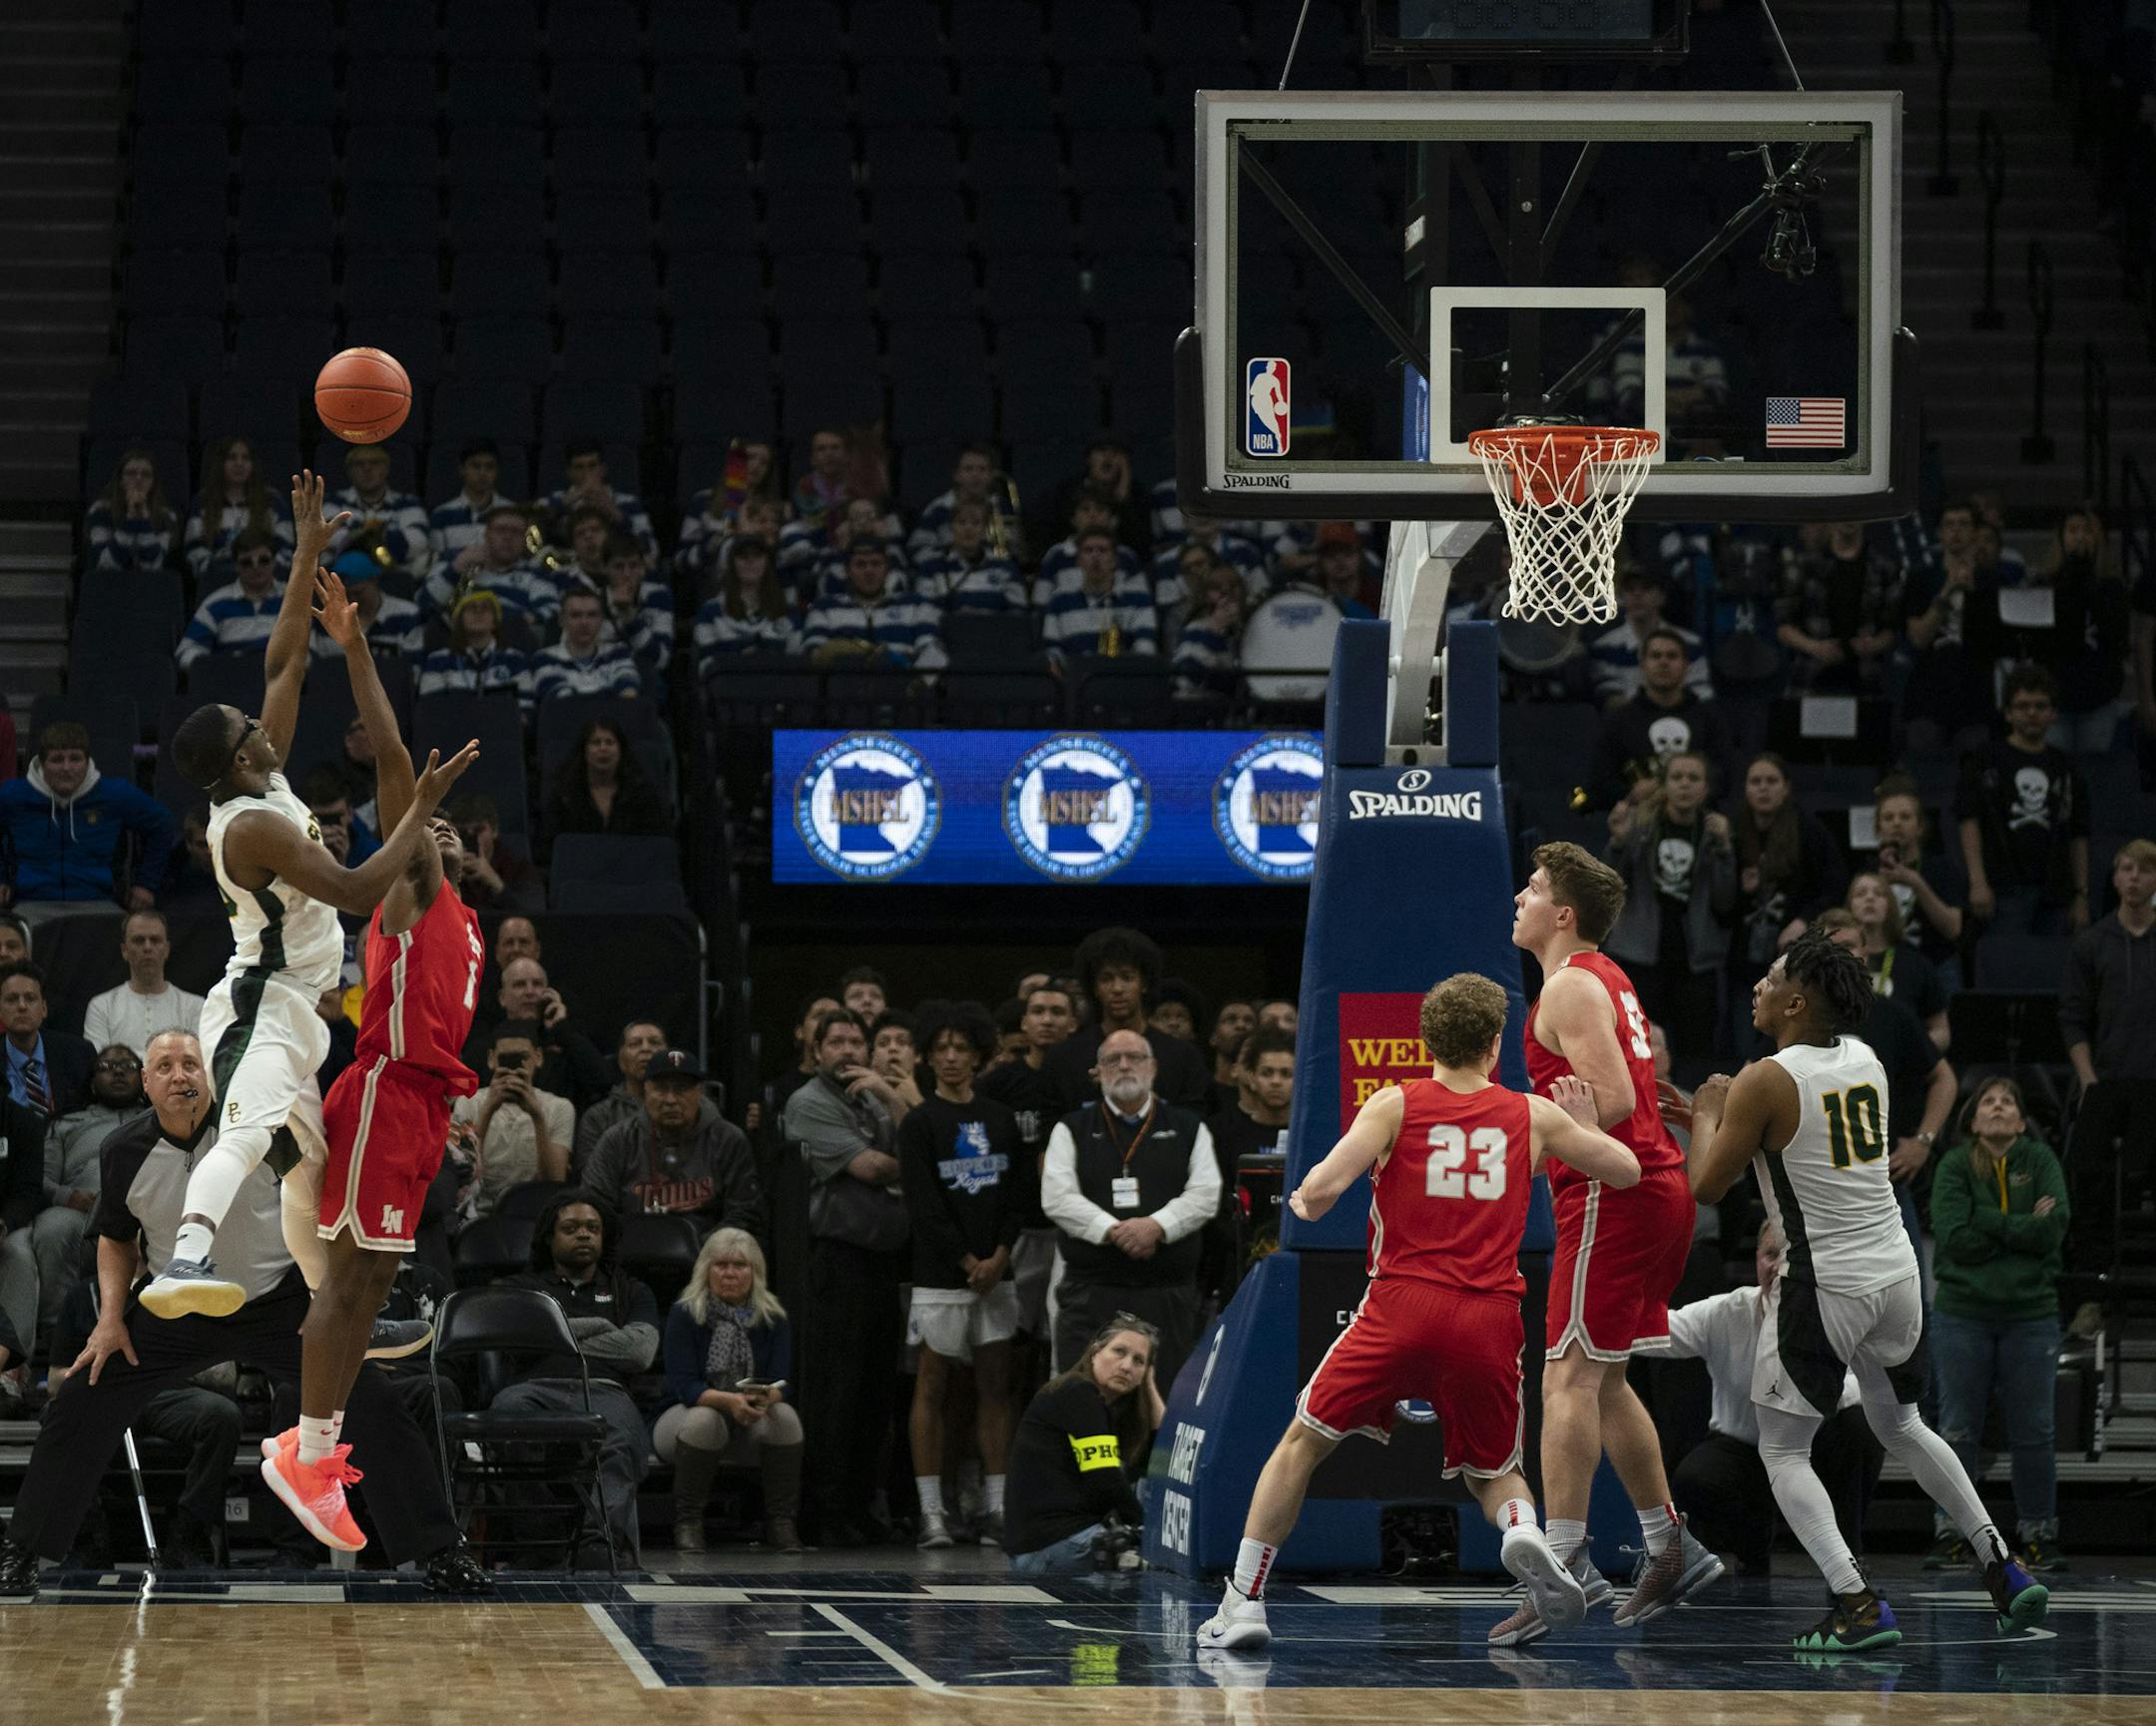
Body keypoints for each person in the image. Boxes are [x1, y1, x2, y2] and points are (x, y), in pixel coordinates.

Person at [1199, 973, 1642, 1653]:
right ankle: (1521, 1527)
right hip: (1489, 1313)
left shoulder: (1394, 1103)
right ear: (1496, 1044)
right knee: (1494, 1471)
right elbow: (1625, 1171)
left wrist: (1304, 1204)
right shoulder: (1532, 1114)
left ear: (1425, 1040)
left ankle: (1245, 1600)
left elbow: (1317, 1190)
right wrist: (1578, 1126)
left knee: (1302, 1442)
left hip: (1400, 1304)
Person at [140, 470, 476, 1321]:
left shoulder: (261, 772)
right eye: (247, 724)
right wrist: (422, 815)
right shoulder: (252, 828)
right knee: (251, 1136)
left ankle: (338, 1311)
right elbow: (364, 889)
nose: (259, 719)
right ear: (240, 760)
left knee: (310, 1171)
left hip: (293, 1004)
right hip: (260, 1005)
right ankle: (180, 1263)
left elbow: (284, 657)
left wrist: (306, 556)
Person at [0, 1029, 487, 1598]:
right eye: (165, 1066)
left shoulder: (258, 1132)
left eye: (191, 1063)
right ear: (146, 1084)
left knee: (373, 1399)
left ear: (211, 1076)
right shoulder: (123, 1150)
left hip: (278, 1303)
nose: (181, 1074)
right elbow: (115, 1238)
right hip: (176, 1307)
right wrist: (110, 1319)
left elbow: (318, 1190)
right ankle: (22, 1552)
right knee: (82, 1394)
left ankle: (441, 1553)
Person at [1686, 930, 2051, 1651]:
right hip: (1897, 1269)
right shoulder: (1867, 1059)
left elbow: (1708, 1181)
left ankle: (1855, 1603)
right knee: (1904, 1423)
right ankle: (2001, 1564)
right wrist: (1724, 1120)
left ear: (1796, 1001)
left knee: (1783, 1450)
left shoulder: (1764, 1077)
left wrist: (1706, 1111)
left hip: (1827, 1281)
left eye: (1769, 978)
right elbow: (1793, 1139)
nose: (1756, 986)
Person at [250, 562, 488, 1551]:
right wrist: (356, 649)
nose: (426, 829)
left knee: (377, 1287)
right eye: (414, 828)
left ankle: (320, 1443)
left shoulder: (468, 921)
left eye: (440, 826)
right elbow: (394, 762)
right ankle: (302, 1448)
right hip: (386, 1091)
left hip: (425, 1105)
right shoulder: (411, 887)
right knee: (349, 1283)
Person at [1509, 842, 1722, 1636]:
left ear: (1563, 914)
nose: (1519, 899)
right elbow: (1627, 1092)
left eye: (1531, 889)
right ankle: (1670, 1542)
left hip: (1615, 1194)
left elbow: (1608, 1097)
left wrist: (1563, 1123)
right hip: (1653, 1192)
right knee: (1603, 1379)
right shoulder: (1606, 975)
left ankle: (1563, 1566)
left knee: (1564, 1376)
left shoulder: (1567, 984)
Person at [1664, 1221, 1885, 1578]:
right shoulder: (1727, 1311)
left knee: (1859, 1431)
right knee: (1695, 1477)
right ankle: (1752, 1545)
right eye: (1769, 1254)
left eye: (1788, 1257)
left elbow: (1862, 1389)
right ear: (1756, 1260)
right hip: (1744, 1448)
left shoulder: (1837, 1315)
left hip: (1814, 1445)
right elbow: (1662, 1331)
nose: (1777, 1267)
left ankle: (1848, 1557)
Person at [1927, 1077, 2071, 1574]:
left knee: (2035, 1431)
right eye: (1988, 1100)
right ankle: (1953, 1532)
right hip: (1962, 1312)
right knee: (1957, 1430)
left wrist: (1985, 1221)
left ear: (2022, 1119)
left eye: (2008, 1100)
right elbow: (1952, 1237)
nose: (1998, 1106)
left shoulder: (2041, 1160)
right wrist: (2020, 1229)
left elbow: (2055, 1228)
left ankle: (2038, 1533)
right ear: (1971, 1120)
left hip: (2031, 1314)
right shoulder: (1953, 1164)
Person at [896, 1001, 1026, 1549]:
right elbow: (924, 1204)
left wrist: (997, 1256)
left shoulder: (999, 1119)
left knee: (996, 1386)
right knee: (932, 1385)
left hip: (998, 1274)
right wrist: (965, 1261)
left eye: (961, 1049)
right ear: (928, 1057)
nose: (951, 1058)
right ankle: (932, 1514)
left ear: (978, 1056)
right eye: (941, 1048)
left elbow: (1018, 1195)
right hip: (939, 1274)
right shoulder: (919, 1122)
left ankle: (996, 1509)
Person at [781, 1007, 912, 1545]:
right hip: (837, 1260)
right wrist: (913, 1159)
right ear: (815, 1052)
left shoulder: (873, 1099)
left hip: (886, 1261)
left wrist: (891, 1096)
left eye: (857, 1042)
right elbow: (875, 1169)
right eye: (836, 1042)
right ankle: (826, 1513)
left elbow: (918, 1137)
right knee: (837, 1392)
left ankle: (862, 1508)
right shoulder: (809, 1102)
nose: (849, 1051)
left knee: (876, 1395)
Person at [1042, 1029, 1221, 1392]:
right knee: (1083, 1396)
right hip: (1091, 1293)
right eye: (1112, 1059)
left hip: (1166, 1294)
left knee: (1164, 1400)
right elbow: (1057, 1197)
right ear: (1097, 1071)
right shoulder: (1070, 1129)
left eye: (1134, 1057)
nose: (1124, 1065)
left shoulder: (1188, 1126)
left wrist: (1156, 1226)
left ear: (1153, 1067)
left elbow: (1207, 1193)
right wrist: (1114, 1230)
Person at [496, 1193, 658, 1565]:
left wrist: (553, 1332)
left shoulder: (630, 1289)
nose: (583, 1235)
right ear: (549, 1239)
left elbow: (640, 1352)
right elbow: (512, 1337)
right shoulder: (519, 1286)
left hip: (604, 1391)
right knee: (507, 1416)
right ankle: (541, 1545)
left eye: (592, 1228)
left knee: (619, 1438)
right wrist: (602, 1328)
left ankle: (597, 1546)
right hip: (532, 1390)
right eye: (570, 1229)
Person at [0, 1043, 140, 1394]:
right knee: (51, 1226)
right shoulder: (66, 1124)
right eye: (108, 1065)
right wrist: (68, 1197)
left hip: (143, 1213)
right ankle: (56, 1332)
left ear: (144, 1077)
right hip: (81, 1212)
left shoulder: (156, 1119)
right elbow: (40, 1178)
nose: (118, 1071)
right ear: (92, 1081)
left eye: (128, 1065)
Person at [656, 1226, 803, 1554]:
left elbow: (782, 1380)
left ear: (755, 1272)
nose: (730, 1274)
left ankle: (781, 1522)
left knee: (786, 1417)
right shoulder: (685, 1314)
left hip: (750, 1417)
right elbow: (684, 1385)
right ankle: (688, 1522)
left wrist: (766, 1397)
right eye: (721, 1265)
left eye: (740, 1266)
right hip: (685, 1417)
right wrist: (730, 1401)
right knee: (706, 1419)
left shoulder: (773, 1317)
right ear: (705, 1269)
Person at [2059, 838, 2156, 1303]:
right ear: (2115, 878)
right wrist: (2089, 1081)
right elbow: (2073, 1018)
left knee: (2141, 1181)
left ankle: (2141, 1292)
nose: (2134, 878)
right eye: (2125, 869)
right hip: (2105, 1082)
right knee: (2088, 1178)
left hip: (2153, 1086)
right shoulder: (2092, 943)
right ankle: (2092, 1293)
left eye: (2144, 870)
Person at [1603, 752, 1736, 1085]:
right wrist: (1618, 842)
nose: (1685, 785)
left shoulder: (1713, 832)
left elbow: (1726, 901)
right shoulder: (1642, 827)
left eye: (1693, 778)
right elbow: (1609, 888)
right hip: (1640, 954)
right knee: (1635, 1046)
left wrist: (1724, 850)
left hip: (1694, 961)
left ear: (1705, 789)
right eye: (1677, 777)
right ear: (1664, 785)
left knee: (1695, 1053)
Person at [1004, 1316, 1164, 1577]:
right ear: (1095, 1351)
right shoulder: (1077, 1392)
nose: (1126, 1366)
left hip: (1051, 1546)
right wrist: (1149, 1530)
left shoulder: (1101, 1407)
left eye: (1139, 1361)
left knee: (1148, 1483)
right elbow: (1105, 1479)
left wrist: (1148, 1384)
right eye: (1119, 1352)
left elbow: (1161, 1454)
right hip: (1051, 1547)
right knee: (1161, 1568)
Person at [978, 980, 1080, 1346]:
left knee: (1063, 1334)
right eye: (1038, 1012)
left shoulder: (1084, 1082)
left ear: (1073, 1024)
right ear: (1023, 1023)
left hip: (1070, 1226)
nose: (1047, 1020)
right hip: (1013, 1227)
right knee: (1009, 1338)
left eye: (1057, 1012)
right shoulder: (997, 1083)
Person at [1955, 664, 2091, 939]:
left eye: (2041, 706)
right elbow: (1968, 820)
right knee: (2007, 970)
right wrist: (1977, 881)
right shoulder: (1985, 759)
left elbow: (2078, 833)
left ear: (2053, 714)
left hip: (2056, 891)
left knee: (2053, 974)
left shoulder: (2065, 766)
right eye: (2023, 705)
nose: (2032, 713)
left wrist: (2081, 894)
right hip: (2002, 889)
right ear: (2007, 712)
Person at [1727, 753, 1848, 1056]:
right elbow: (1715, 899)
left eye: (1771, 781)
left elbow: (1834, 885)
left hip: (1790, 959)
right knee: (1744, 1042)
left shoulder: (1809, 830)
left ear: (1786, 787)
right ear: (1745, 788)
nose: (1763, 788)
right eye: (1756, 781)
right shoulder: (1733, 831)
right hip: (1742, 959)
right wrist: (1739, 889)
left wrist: (1805, 920)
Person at [0, 721, 177, 914]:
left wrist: (146, 883)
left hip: (99, 902)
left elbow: (162, 823)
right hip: (30, 903)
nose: (67, 768)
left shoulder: (114, 794)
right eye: (57, 760)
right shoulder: (14, 795)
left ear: (87, 761)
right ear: (42, 764)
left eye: (75, 759)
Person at [582, 1047, 764, 1234]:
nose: (670, 1099)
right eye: (661, 1089)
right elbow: (593, 1207)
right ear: (645, 1091)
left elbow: (744, 1213)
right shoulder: (618, 1140)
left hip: (709, 1255)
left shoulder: (728, 1139)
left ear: (698, 1093)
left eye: (681, 1089)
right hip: (631, 1250)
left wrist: (704, 1251)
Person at [1047, 926, 1212, 1112]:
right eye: (1106, 978)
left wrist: (1140, 1099)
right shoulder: (1064, 1059)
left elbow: (1195, 1127)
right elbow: (1053, 1130)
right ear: (1094, 988)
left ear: (1144, 983)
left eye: (1127, 977)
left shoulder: (1183, 1057)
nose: (1117, 988)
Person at [1585, 628, 1735, 812]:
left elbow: (1725, 776)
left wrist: (1673, 790)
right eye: (1656, 656)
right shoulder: (1619, 720)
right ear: (1642, 665)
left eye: (1672, 656)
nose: (1663, 662)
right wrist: (1629, 792)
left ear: (1686, 665)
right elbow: (1600, 782)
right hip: (1635, 824)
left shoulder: (1709, 719)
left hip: (1698, 823)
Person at [451, 1021, 573, 1218]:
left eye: (523, 1058)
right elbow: (461, 1169)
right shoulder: (468, 1102)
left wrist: (537, 1116)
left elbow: (554, 1180)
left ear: (538, 1057)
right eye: (505, 1059)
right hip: (478, 1213)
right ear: (491, 1059)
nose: (515, 1067)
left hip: (535, 1213)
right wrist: (489, 1109)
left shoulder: (559, 1107)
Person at [1873, 772, 1967, 986]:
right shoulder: (1870, 872)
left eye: (1905, 817)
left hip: (1936, 965)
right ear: (1879, 828)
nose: (1897, 823)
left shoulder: (1941, 868)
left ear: (1920, 826)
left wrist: (1916, 883)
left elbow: (1954, 928)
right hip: (1886, 965)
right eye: (1888, 818)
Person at [1846, 872, 1949, 1051]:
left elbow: (1941, 1030)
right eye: (1861, 893)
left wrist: (1916, 1055)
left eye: (1879, 894)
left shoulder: (1916, 964)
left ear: (1890, 906)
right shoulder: (1836, 964)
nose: (1870, 898)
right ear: (1849, 907)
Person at [83, 909, 204, 1058]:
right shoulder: (102, 1006)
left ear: (166, 949)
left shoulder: (195, 1007)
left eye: (155, 940)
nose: (147, 947)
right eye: (139, 940)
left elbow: (197, 1062)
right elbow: (100, 1066)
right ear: (124, 950)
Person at [542, 716, 669, 851]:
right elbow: (549, 847)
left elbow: (656, 845)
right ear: (584, 751)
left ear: (621, 750)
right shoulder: (565, 796)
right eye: (596, 742)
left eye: (610, 742)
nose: (603, 748)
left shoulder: (641, 793)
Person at [1589, 568, 1711, 704]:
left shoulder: (1691, 644)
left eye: (1646, 588)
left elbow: (1702, 695)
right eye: (1630, 589)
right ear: (1621, 598)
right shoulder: (1605, 648)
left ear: (1662, 597)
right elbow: (1610, 701)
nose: (1637, 594)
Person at [1, 962, 96, 1116]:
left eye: (30, 998)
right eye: (12, 999)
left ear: (44, 1009)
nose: (22, 1006)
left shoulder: (79, 1054)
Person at [573, 1017, 669, 1169]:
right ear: (621, 1060)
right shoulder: (599, 1117)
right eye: (635, 1043)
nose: (646, 1048)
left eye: (655, 1042)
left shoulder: (694, 1107)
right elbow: (590, 1177)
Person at [416, 589, 535, 707]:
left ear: (495, 622)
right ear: (459, 620)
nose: (478, 612)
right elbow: (430, 710)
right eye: (471, 608)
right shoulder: (437, 660)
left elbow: (525, 709)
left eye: (486, 608)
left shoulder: (515, 660)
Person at [532, 585, 643, 703]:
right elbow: (563, 705)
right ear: (561, 620)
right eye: (576, 615)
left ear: (602, 619)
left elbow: (629, 697)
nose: (584, 622)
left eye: (592, 615)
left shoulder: (618, 652)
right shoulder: (544, 658)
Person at [86, 446, 183, 579]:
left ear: (153, 482)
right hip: (110, 585)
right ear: (120, 480)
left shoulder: (166, 515)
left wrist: (143, 518)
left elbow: (151, 566)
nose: (138, 479)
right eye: (131, 473)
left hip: (151, 587)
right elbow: (108, 564)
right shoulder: (100, 510)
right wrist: (130, 519)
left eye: (146, 474)